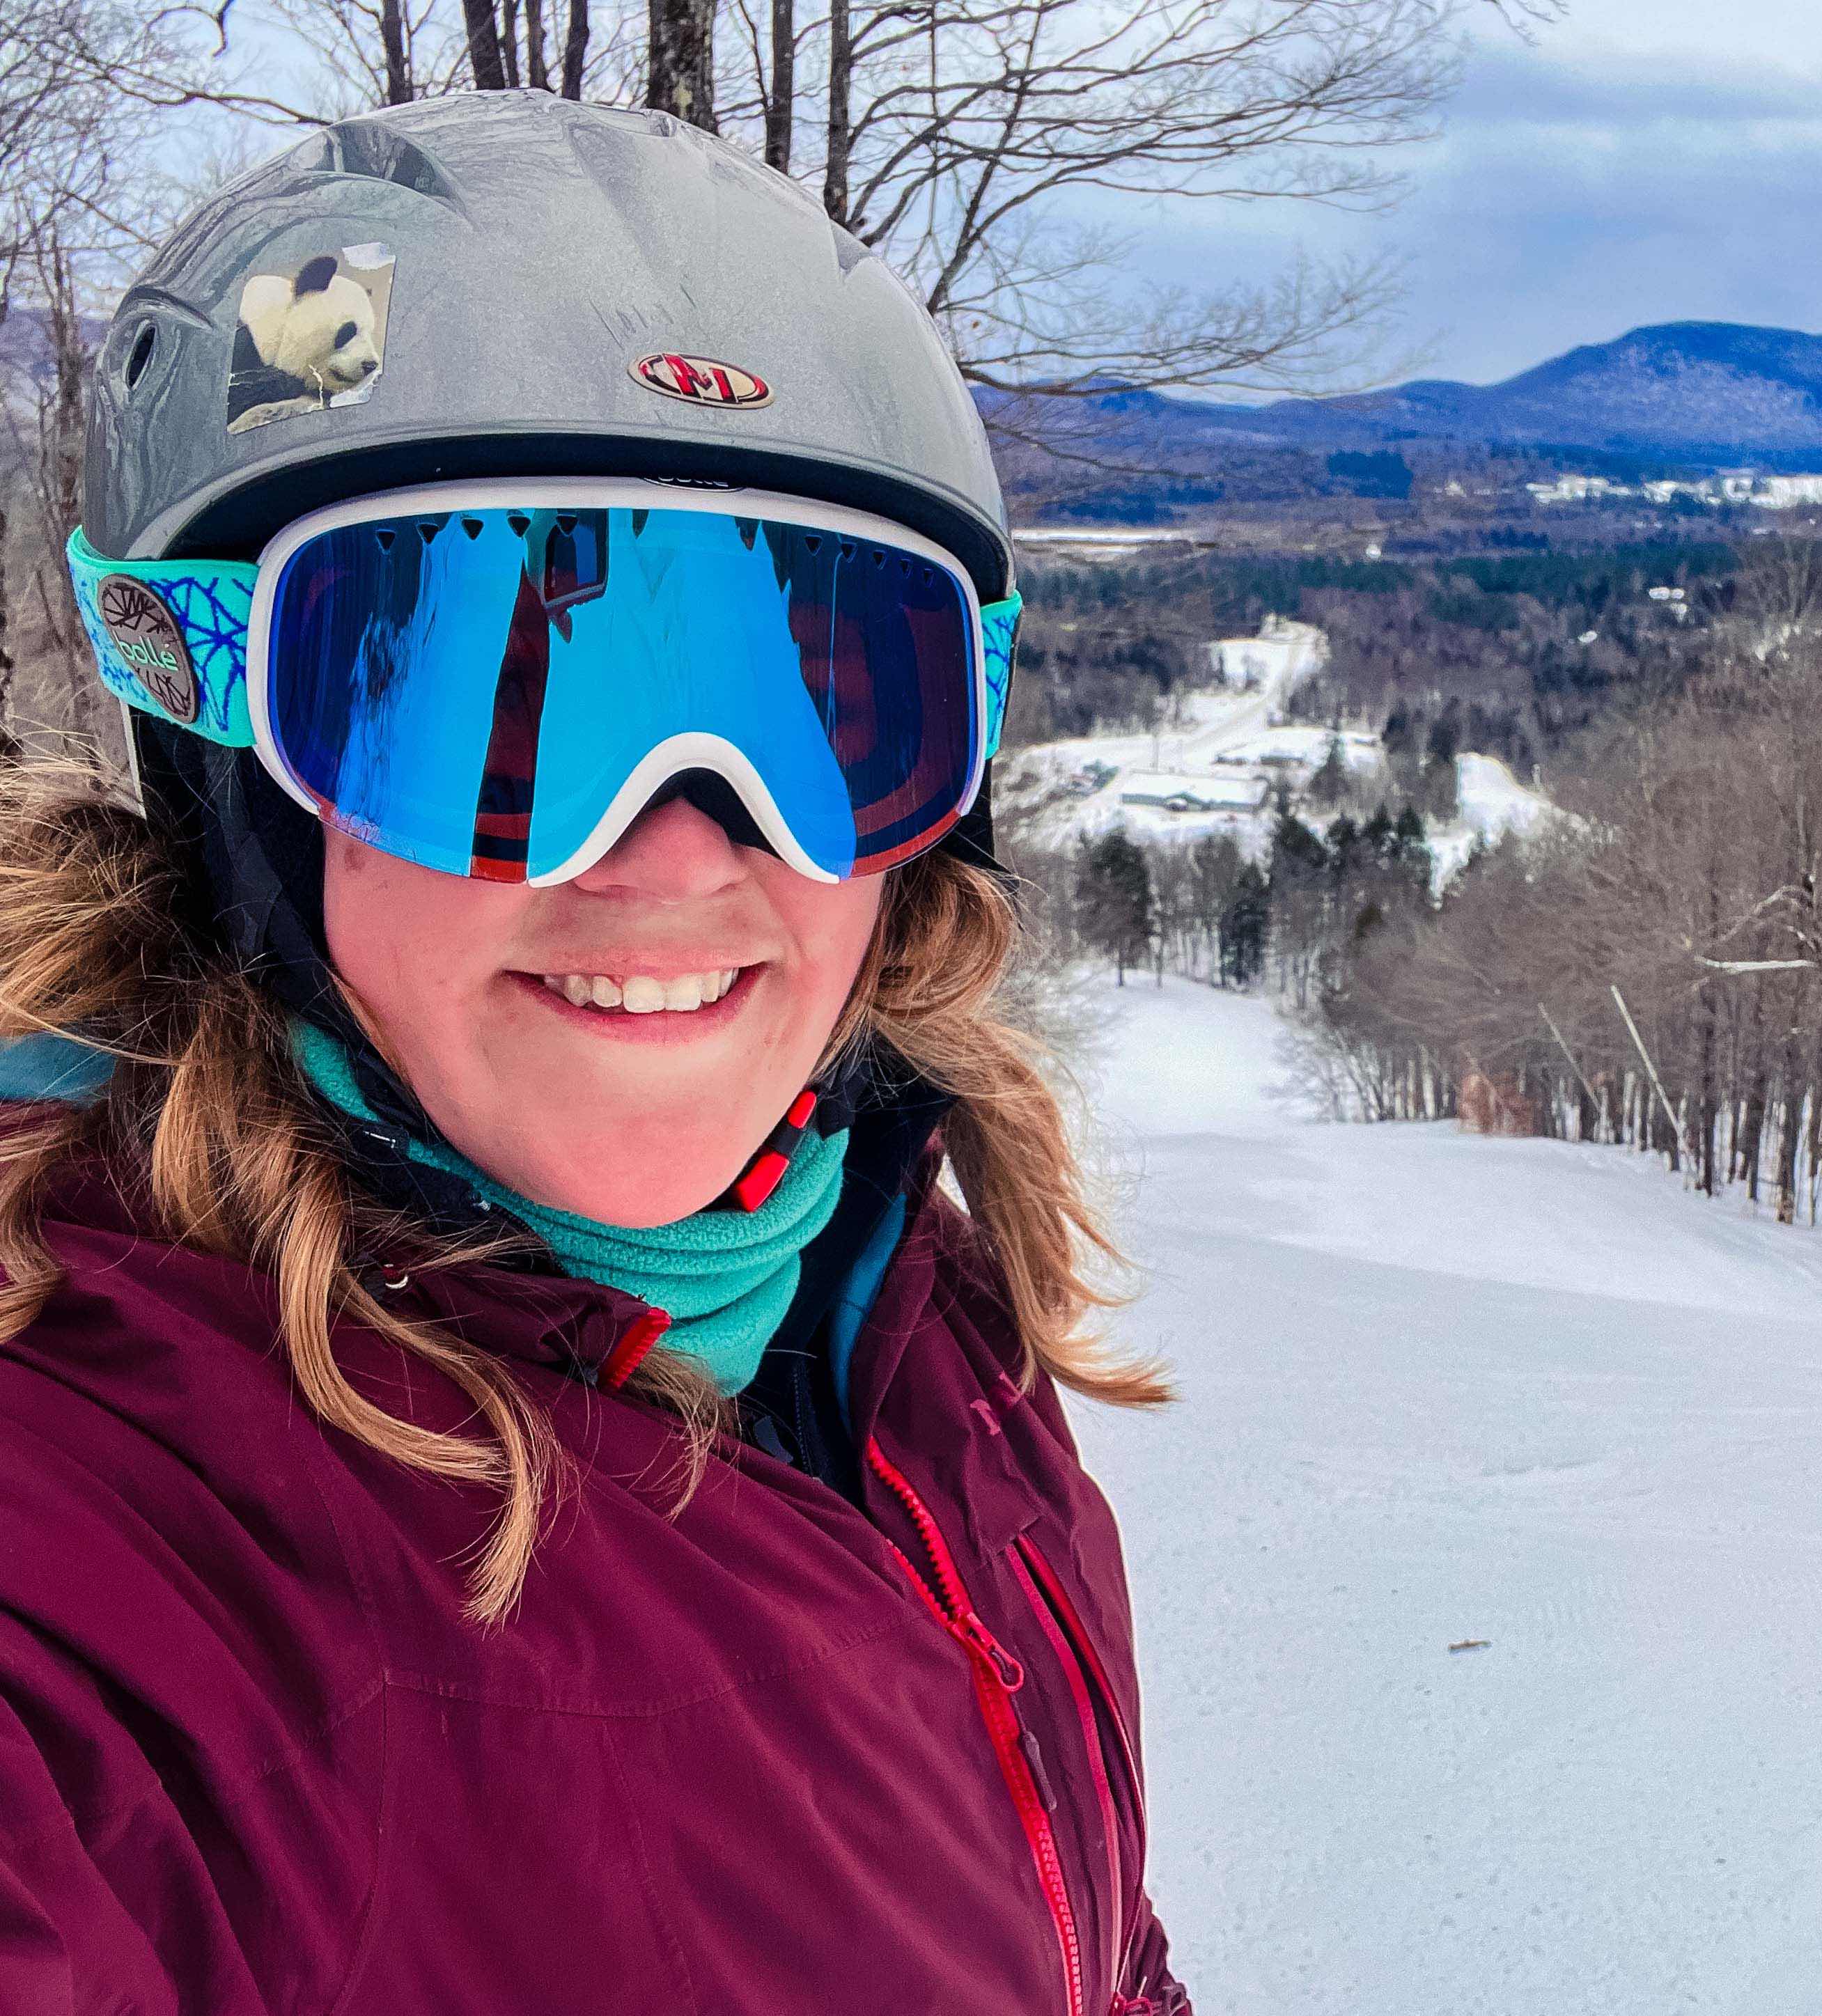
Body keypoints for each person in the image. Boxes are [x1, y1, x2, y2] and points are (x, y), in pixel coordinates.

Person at [0, 92, 1190, 2016]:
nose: (673, 854)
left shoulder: (906, 1290)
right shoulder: (111, 1517)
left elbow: (1085, 1938)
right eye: (481, 697)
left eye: (817, 712)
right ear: (240, 782)